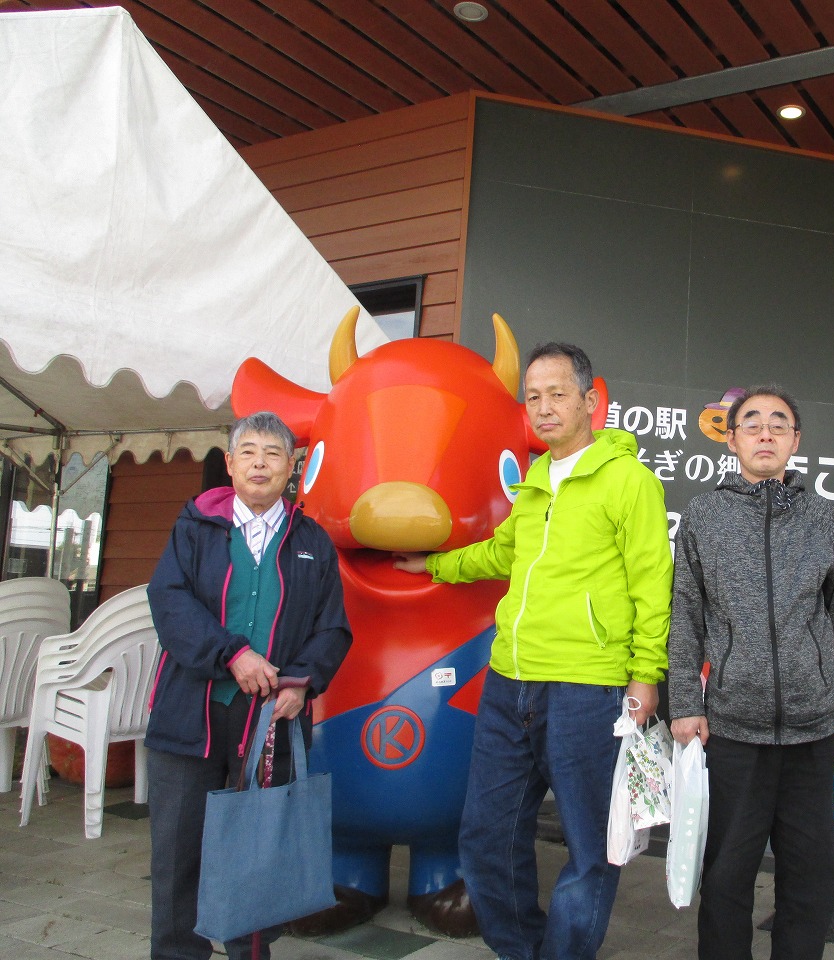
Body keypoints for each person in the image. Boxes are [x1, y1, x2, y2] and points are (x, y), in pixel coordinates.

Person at [393, 342, 673, 960]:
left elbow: (654, 584)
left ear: (589, 401)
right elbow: (502, 554)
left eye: (557, 394)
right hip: (509, 679)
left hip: (589, 686)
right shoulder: (537, 480)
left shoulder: (629, 481)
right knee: (487, 838)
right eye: (534, 397)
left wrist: (645, 675)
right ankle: (525, 950)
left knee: (589, 844)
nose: (544, 408)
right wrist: (435, 564)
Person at [145, 411, 352, 960]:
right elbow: (169, 600)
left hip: (271, 724)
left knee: (259, 852)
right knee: (176, 855)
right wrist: (231, 653)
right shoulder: (195, 526)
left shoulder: (312, 541)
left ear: (293, 468)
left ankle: (250, 953)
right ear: (231, 464)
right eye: (250, 452)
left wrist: (302, 683)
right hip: (191, 716)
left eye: (274, 453)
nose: (261, 463)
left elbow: (333, 627)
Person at [668, 385, 834, 960]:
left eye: (780, 423)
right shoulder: (704, 516)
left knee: (813, 875)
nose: (766, 432)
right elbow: (684, 615)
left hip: (810, 732)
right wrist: (684, 702)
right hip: (732, 729)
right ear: (732, 439)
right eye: (752, 423)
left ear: (796, 441)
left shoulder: (823, 518)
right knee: (727, 875)